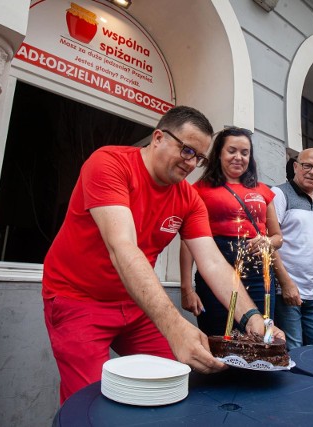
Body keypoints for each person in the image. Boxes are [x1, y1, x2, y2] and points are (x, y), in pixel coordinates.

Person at [42, 106, 284, 403]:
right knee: (90, 399)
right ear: (158, 138)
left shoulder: (188, 197)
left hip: (135, 302)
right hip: (77, 298)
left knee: (180, 376)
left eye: (199, 157)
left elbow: (211, 261)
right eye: (186, 150)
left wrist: (252, 317)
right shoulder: (109, 163)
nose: (191, 163)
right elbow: (123, 248)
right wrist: (174, 325)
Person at [179, 126, 283, 334]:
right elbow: (188, 242)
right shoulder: (199, 189)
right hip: (215, 272)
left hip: (258, 274)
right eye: (232, 151)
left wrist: (267, 241)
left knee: (260, 337)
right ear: (219, 154)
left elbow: (278, 237)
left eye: (245, 153)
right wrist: (186, 288)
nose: (239, 157)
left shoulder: (263, 190)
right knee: (219, 337)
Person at [272, 148, 313, 350]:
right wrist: (285, 283)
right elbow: (270, 242)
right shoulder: (279, 194)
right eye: (307, 165)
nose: (312, 171)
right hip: (287, 291)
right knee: (293, 350)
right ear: (296, 166)